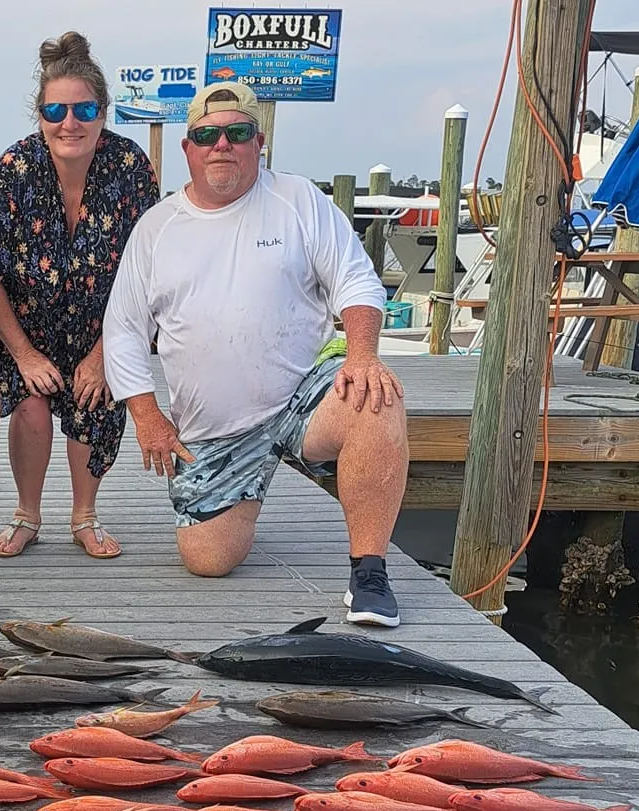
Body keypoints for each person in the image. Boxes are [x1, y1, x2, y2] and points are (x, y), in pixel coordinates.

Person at [103, 82, 409, 627]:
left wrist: (362, 355)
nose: (222, 144)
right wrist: (147, 416)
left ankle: (370, 572)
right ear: (188, 148)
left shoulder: (298, 199)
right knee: (208, 560)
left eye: (236, 132)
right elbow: (124, 329)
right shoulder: (156, 228)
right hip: (215, 427)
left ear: (258, 142)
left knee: (376, 399)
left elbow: (357, 280)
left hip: (300, 396)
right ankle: (247, 489)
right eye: (206, 135)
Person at [0, 31, 157, 560]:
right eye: (55, 110)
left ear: (102, 111)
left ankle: (85, 516)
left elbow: (147, 271)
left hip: (105, 324)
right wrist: (24, 355)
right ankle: (27, 515)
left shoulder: (130, 168)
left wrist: (103, 354)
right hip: (24, 326)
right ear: (40, 115)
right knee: (30, 406)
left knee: (93, 401)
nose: (69, 122)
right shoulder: (14, 168)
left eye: (83, 109)